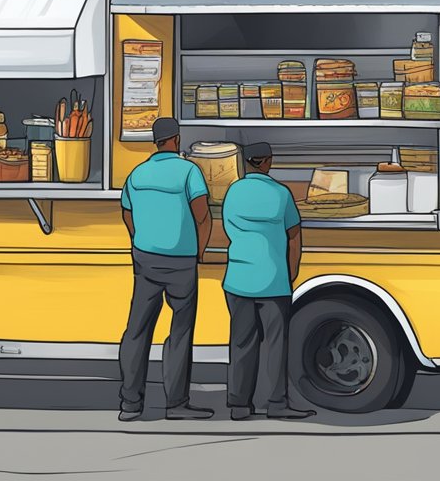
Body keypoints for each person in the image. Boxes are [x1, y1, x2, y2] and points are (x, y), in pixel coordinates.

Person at [117, 117, 214, 421]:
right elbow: (202, 216)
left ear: (155, 142)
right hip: (181, 261)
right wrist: (199, 252)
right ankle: (176, 404)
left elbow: (127, 213)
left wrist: (139, 241)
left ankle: (131, 403)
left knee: (137, 330)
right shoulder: (189, 171)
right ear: (176, 139)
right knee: (180, 332)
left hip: (145, 259)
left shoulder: (137, 173)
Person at [220, 142, 315, 420]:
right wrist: (291, 271)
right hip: (273, 279)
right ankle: (276, 403)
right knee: (275, 343)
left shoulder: (233, 191)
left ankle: (239, 405)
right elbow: (294, 235)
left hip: (238, 278)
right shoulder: (280, 194)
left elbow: (228, 227)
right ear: (267, 161)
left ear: (248, 162)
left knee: (241, 342)